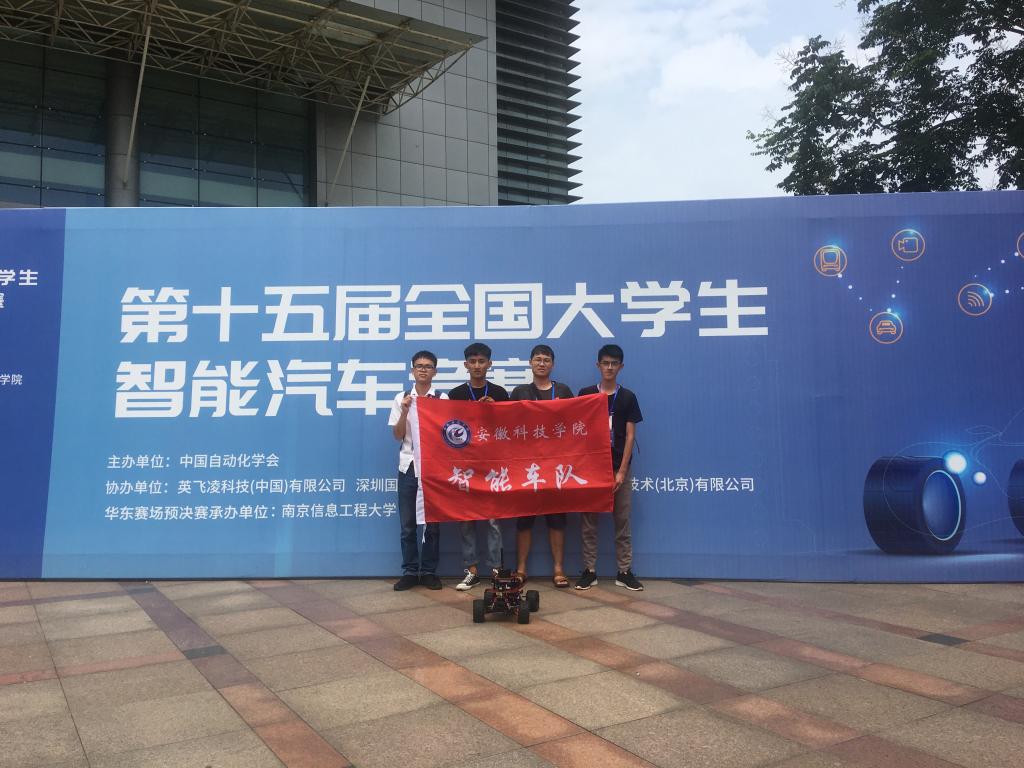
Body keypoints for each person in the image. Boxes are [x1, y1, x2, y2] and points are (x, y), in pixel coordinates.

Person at [575, 344, 644, 591]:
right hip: (591, 470)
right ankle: (589, 571)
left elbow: (630, 435)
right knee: (588, 523)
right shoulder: (585, 394)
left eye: (614, 363)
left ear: (621, 367)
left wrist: (622, 471)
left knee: (622, 521)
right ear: (598, 365)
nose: (609, 367)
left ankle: (624, 571)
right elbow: (577, 431)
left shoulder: (628, 397)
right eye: (605, 363)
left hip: (618, 469)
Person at [510, 344, 574, 587]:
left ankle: (558, 569)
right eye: (537, 359)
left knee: (556, 518)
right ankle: (521, 569)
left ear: (552, 364)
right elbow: (507, 425)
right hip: (527, 467)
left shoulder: (563, 391)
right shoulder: (520, 392)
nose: (541, 363)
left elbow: (575, 424)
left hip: (556, 465)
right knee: (524, 519)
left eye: (546, 360)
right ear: (530, 363)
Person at [447, 342, 510, 590]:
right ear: (465, 365)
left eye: (481, 361)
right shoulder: (455, 394)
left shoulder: (500, 393)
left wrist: (496, 410)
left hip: (492, 464)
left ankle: (495, 570)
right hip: (465, 464)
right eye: (472, 362)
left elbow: (509, 429)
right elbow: (447, 430)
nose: (477, 366)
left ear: (489, 364)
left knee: (493, 520)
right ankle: (471, 570)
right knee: (466, 520)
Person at [387, 350, 447, 591]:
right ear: (412, 370)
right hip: (408, 466)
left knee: (433, 524)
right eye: (419, 366)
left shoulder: (442, 399)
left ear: (435, 371)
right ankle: (410, 571)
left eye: (428, 366)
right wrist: (405, 411)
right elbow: (397, 435)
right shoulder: (401, 397)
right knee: (408, 525)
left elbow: (448, 435)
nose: (423, 369)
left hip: (433, 468)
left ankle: (429, 571)